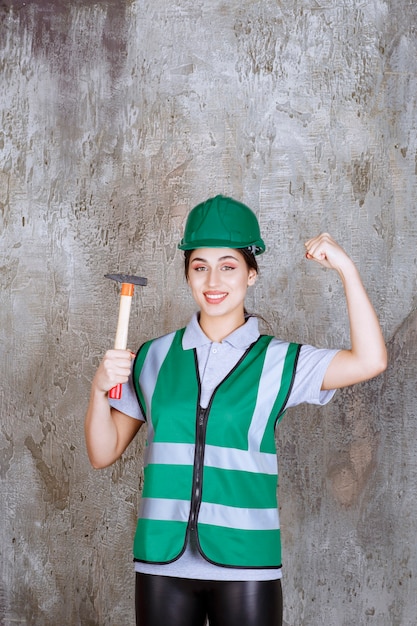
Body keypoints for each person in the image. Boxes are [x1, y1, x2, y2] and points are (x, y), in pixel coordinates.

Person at [84, 195, 387, 626]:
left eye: (228, 265)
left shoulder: (281, 362)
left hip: (247, 563)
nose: (213, 279)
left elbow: (371, 360)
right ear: (187, 273)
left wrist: (346, 268)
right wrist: (99, 389)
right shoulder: (152, 356)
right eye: (199, 266)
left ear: (251, 273)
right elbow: (103, 451)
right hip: (161, 565)